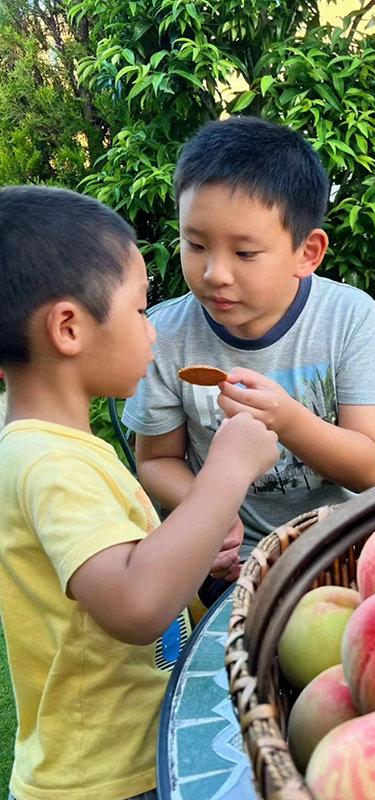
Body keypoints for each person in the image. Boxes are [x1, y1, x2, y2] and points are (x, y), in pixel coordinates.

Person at [0, 186, 279, 800]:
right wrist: (225, 473)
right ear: (68, 328)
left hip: (124, 758)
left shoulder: (50, 444)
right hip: (105, 779)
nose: (152, 330)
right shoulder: (48, 462)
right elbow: (134, 603)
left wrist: (185, 553)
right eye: (138, 309)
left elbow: (111, 569)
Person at [123, 117, 375, 597]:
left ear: (306, 252)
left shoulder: (348, 317)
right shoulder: (165, 334)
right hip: (231, 561)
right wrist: (210, 511)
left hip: (339, 548)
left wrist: (287, 420)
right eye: (195, 244)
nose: (215, 273)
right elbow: (156, 460)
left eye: (245, 253)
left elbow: (366, 466)